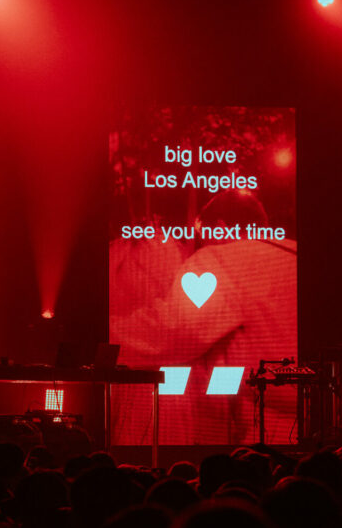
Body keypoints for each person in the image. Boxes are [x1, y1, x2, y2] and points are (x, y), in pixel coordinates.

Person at [111, 190, 297, 445]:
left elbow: (177, 333)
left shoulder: (221, 258)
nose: (197, 246)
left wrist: (106, 335)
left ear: (219, 226)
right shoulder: (296, 256)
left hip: (270, 428)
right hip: (315, 414)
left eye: (200, 236)